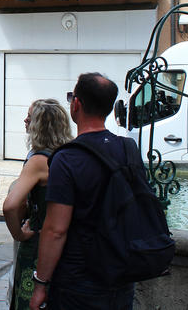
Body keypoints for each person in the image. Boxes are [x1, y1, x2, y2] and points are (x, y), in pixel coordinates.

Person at [30, 73, 134, 310]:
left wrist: (40, 284)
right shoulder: (128, 149)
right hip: (120, 274)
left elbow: (56, 230)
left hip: (78, 279)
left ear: (76, 104)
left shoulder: (67, 159)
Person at [3, 99, 72, 310]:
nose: (25, 120)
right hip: (65, 244)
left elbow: (10, 206)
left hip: (38, 244)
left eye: (30, 117)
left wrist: (19, 234)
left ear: (41, 125)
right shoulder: (69, 153)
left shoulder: (38, 161)